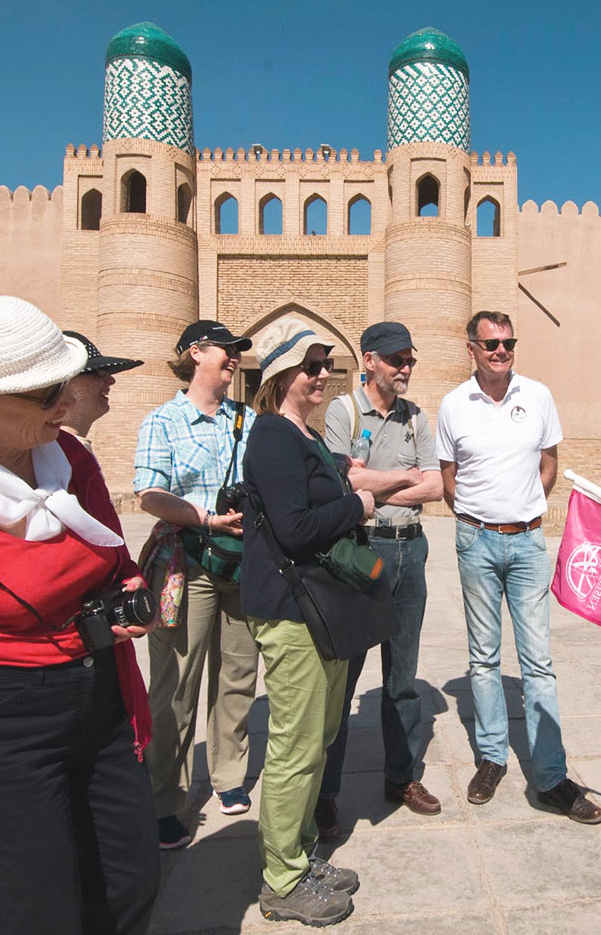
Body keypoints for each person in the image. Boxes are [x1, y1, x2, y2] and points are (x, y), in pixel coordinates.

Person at [0, 295, 158, 935]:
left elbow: (116, 559)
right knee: (39, 911)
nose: (67, 405)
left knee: (127, 886)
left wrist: (133, 593)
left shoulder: (69, 460)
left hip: (98, 700)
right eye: (47, 395)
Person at [435, 310, 601, 823]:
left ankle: (551, 777)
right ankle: (491, 758)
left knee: (538, 663)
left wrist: (524, 505)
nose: (501, 351)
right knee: (483, 659)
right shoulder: (453, 405)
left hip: (528, 543)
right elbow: (447, 477)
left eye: (508, 342)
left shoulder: (538, 396)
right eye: (491, 344)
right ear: (472, 350)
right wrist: (479, 516)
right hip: (476, 543)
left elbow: (548, 462)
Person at [242, 316, 373, 927]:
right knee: (295, 747)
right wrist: (357, 504)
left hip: (318, 608)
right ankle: (281, 881)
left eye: (326, 364)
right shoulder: (272, 435)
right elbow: (293, 530)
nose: (325, 373)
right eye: (312, 365)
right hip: (291, 609)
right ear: (281, 374)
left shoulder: (306, 434)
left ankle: (296, 854)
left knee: (317, 737)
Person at [133, 320, 259, 850]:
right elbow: (149, 494)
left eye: (236, 352)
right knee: (176, 684)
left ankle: (229, 776)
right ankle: (166, 798)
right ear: (194, 354)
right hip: (187, 563)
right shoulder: (163, 420)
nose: (233, 358)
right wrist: (207, 519)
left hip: (239, 563)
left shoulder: (246, 419)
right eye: (225, 350)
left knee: (237, 673)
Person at [315, 322, 444, 837]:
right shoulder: (344, 413)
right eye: (395, 359)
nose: (405, 368)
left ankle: (400, 777)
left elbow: (434, 486)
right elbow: (340, 480)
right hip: (362, 552)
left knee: (402, 677)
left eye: (409, 358)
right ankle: (325, 791)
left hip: (410, 549)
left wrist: (376, 483)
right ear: (369, 360)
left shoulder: (417, 418)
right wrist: (401, 478)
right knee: (342, 681)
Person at [60, 331, 143, 451]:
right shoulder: (42, 454)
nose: (111, 380)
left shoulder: (68, 450)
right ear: (62, 382)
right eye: (96, 373)